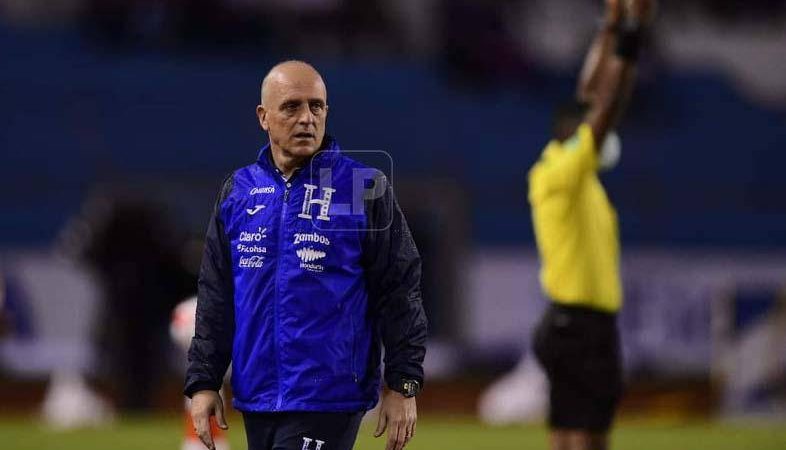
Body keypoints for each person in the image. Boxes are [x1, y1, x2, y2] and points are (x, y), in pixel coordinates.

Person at [185, 60, 427, 450]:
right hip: (258, 395)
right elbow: (217, 295)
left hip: (329, 395)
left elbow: (400, 291)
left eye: (317, 107)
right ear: (264, 117)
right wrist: (204, 381)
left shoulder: (362, 188)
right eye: (292, 107)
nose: (307, 119)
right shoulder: (238, 191)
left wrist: (403, 382)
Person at [528, 1, 655, 450]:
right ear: (571, 134)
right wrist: (633, 38)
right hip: (581, 327)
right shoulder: (563, 171)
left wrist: (612, 24)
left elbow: (590, 95)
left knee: (566, 433)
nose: (597, 136)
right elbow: (606, 107)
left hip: (568, 325)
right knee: (588, 436)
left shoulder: (570, 177)